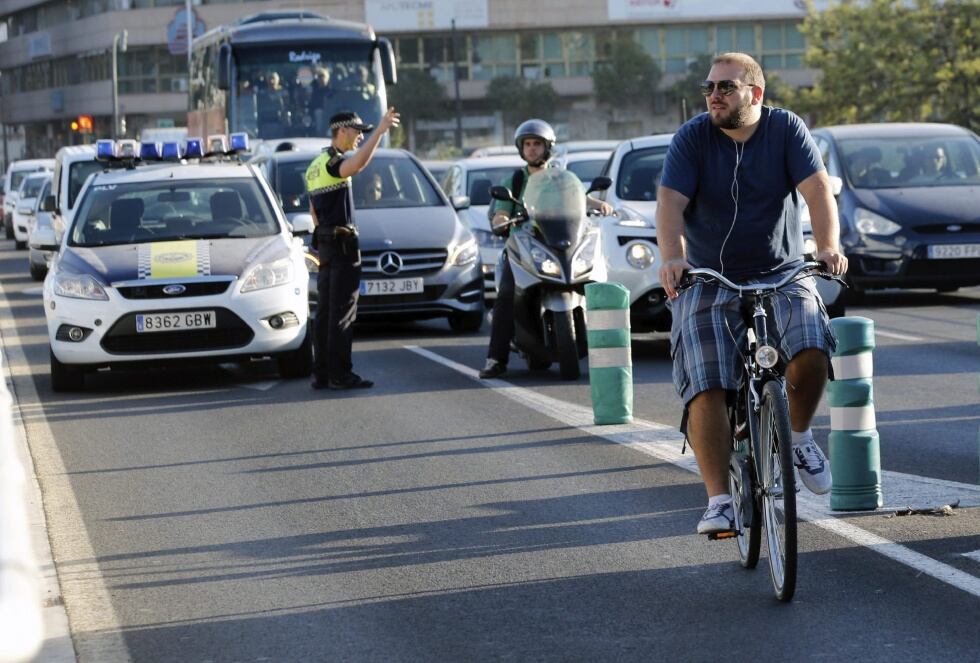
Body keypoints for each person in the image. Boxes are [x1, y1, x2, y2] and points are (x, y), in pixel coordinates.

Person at [655, 53, 848, 535]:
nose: (713, 96)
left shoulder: (786, 130)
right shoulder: (692, 137)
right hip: (708, 276)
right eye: (709, 87)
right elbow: (670, 203)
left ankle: (799, 436)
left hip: (782, 270)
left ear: (754, 93)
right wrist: (673, 257)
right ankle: (719, 500)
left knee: (811, 341)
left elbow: (818, 190)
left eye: (725, 87)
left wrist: (827, 247)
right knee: (707, 379)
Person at [478, 119, 613, 379]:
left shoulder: (560, 178)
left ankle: (609, 345)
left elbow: (577, 198)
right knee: (506, 293)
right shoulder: (514, 180)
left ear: (547, 147)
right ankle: (496, 358)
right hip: (522, 244)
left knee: (597, 280)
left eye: (537, 144)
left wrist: (597, 203)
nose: (531, 149)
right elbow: (500, 209)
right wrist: (500, 220)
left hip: (557, 240)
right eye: (527, 144)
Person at [305, 108, 401, 390]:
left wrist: (324, 234)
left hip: (325, 244)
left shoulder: (315, 164)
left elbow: (313, 209)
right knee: (342, 312)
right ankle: (340, 374)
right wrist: (380, 133)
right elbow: (356, 166)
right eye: (358, 131)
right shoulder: (334, 162)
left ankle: (322, 373)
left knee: (325, 312)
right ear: (342, 130)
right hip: (342, 246)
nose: (360, 136)